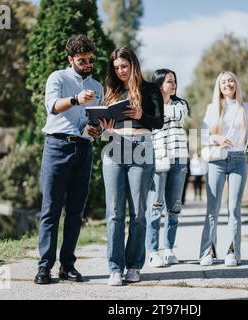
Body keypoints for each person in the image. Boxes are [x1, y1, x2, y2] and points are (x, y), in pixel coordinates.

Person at [34, 34, 104, 285]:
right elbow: (52, 105)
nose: (87, 64)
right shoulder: (58, 77)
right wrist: (76, 99)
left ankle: (67, 266)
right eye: (82, 60)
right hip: (57, 147)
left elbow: (99, 118)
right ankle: (44, 267)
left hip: (84, 149)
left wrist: (99, 129)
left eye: (90, 60)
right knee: (51, 210)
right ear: (71, 59)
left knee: (75, 212)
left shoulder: (98, 87)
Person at [98, 47, 163, 286]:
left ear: (133, 64)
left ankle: (134, 265)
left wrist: (140, 113)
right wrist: (103, 126)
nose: (120, 71)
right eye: (116, 68)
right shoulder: (111, 90)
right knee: (114, 213)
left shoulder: (150, 89)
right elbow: (103, 124)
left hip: (141, 147)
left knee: (138, 213)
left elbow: (158, 122)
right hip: (114, 145)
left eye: (124, 66)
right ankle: (115, 268)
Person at [199, 71, 248, 267]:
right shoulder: (212, 108)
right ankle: (207, 251)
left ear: (236, 84)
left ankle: (232, 252)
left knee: (234, 208)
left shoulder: (247, 108)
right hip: (217, 160)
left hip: (238, 159)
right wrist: (215, 138)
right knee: (212, 209)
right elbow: (202, 136)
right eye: (223, 82)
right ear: (219, 86)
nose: (227, 84)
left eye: (231, 80)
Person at [145, 69, 189, 268]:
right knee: (155, 207)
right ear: (159, 84)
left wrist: (158, 111)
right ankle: (153, 251)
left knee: (174, 208)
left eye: (175, 81)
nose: (174, 85)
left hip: (179, 160)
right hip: (158, 161)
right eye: (169, 81)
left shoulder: (181, 104)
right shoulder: (148, 105)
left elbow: (179, 115)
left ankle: (169, 249)